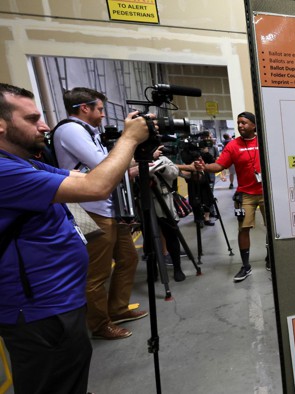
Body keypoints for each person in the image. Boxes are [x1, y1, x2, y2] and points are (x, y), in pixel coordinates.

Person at [0, 82, 150, 393]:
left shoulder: (22, 162)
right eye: (31, 119)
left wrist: (127, 156)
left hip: (59, 302)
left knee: (69, 378)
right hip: (38, 310)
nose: (44, 126)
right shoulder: (4, 171)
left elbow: (84, 177)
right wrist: (130, 139)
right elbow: (95, 186)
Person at [52, 87, 148, 340]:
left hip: (108, 207)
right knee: (97, 272)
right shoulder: (70, 130)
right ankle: (99, 324)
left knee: (128, 258)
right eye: (100, 109)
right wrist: (130, 139)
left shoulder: (88, 132)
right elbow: (103, 165)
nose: (103, 115)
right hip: (90, 210)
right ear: (85, 108)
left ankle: (117, 309)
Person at [200, 111, 266, 282]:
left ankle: (270, 258)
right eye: (238, 123)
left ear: (253, 125)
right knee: (244, 229)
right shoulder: (233, 145)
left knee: (272, 228)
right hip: (246, 194)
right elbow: (219, 165)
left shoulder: (264, 140)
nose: (240, 125)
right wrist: (205, 167)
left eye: (244, 122)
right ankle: (246, 266)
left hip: (267, 193)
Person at [150, 145, 198, 282]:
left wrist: (159, 164)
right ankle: (152, 270)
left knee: (171, 236)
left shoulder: (163, 159)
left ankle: (177, 268)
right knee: (149, 240)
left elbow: (173, 173)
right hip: (146, 202)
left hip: (164, 202)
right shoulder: (135, 160)